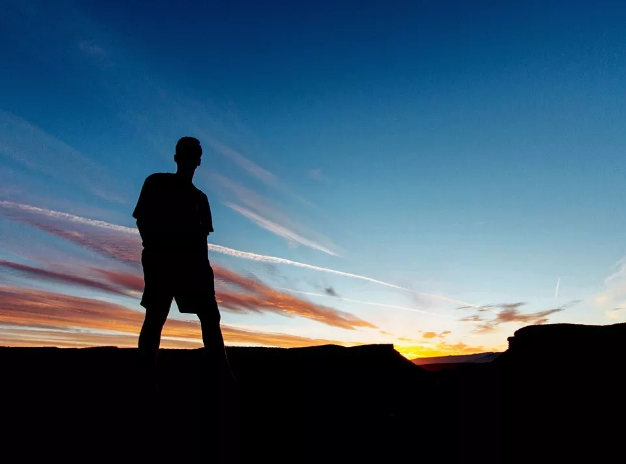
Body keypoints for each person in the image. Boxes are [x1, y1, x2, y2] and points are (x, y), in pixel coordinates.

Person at [133, 136, 234, 394]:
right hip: (162, 264)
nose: (191, 159)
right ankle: (146, 383)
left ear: (198, 160)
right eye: (186, 154)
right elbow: (143, 220)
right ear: (177, 157)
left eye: (194, 154)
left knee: (210, 318)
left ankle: (222, 378)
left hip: (194, 268)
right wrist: (157, 250)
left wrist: (205, 274)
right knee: (155, 318)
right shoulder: (156, 183)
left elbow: (202, 241)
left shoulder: (200, 199)